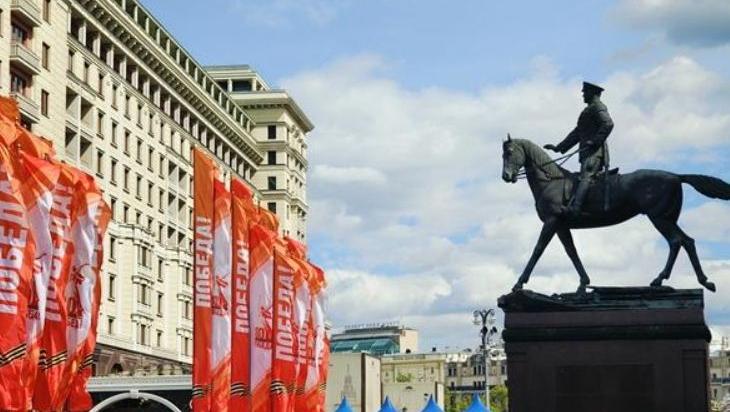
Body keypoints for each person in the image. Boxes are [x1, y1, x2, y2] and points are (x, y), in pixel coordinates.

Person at [544, 81, 614, 216]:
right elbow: (577, 133)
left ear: (592, 93)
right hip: (587, 152)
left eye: (585, 92)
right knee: (583, 177)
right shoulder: (588, 110)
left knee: (585, 177)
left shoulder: (598, 107)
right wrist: (559, 147)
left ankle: (576, 208)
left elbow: (608, 123)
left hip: (595, 152)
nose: (583, 95)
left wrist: (595, 141)